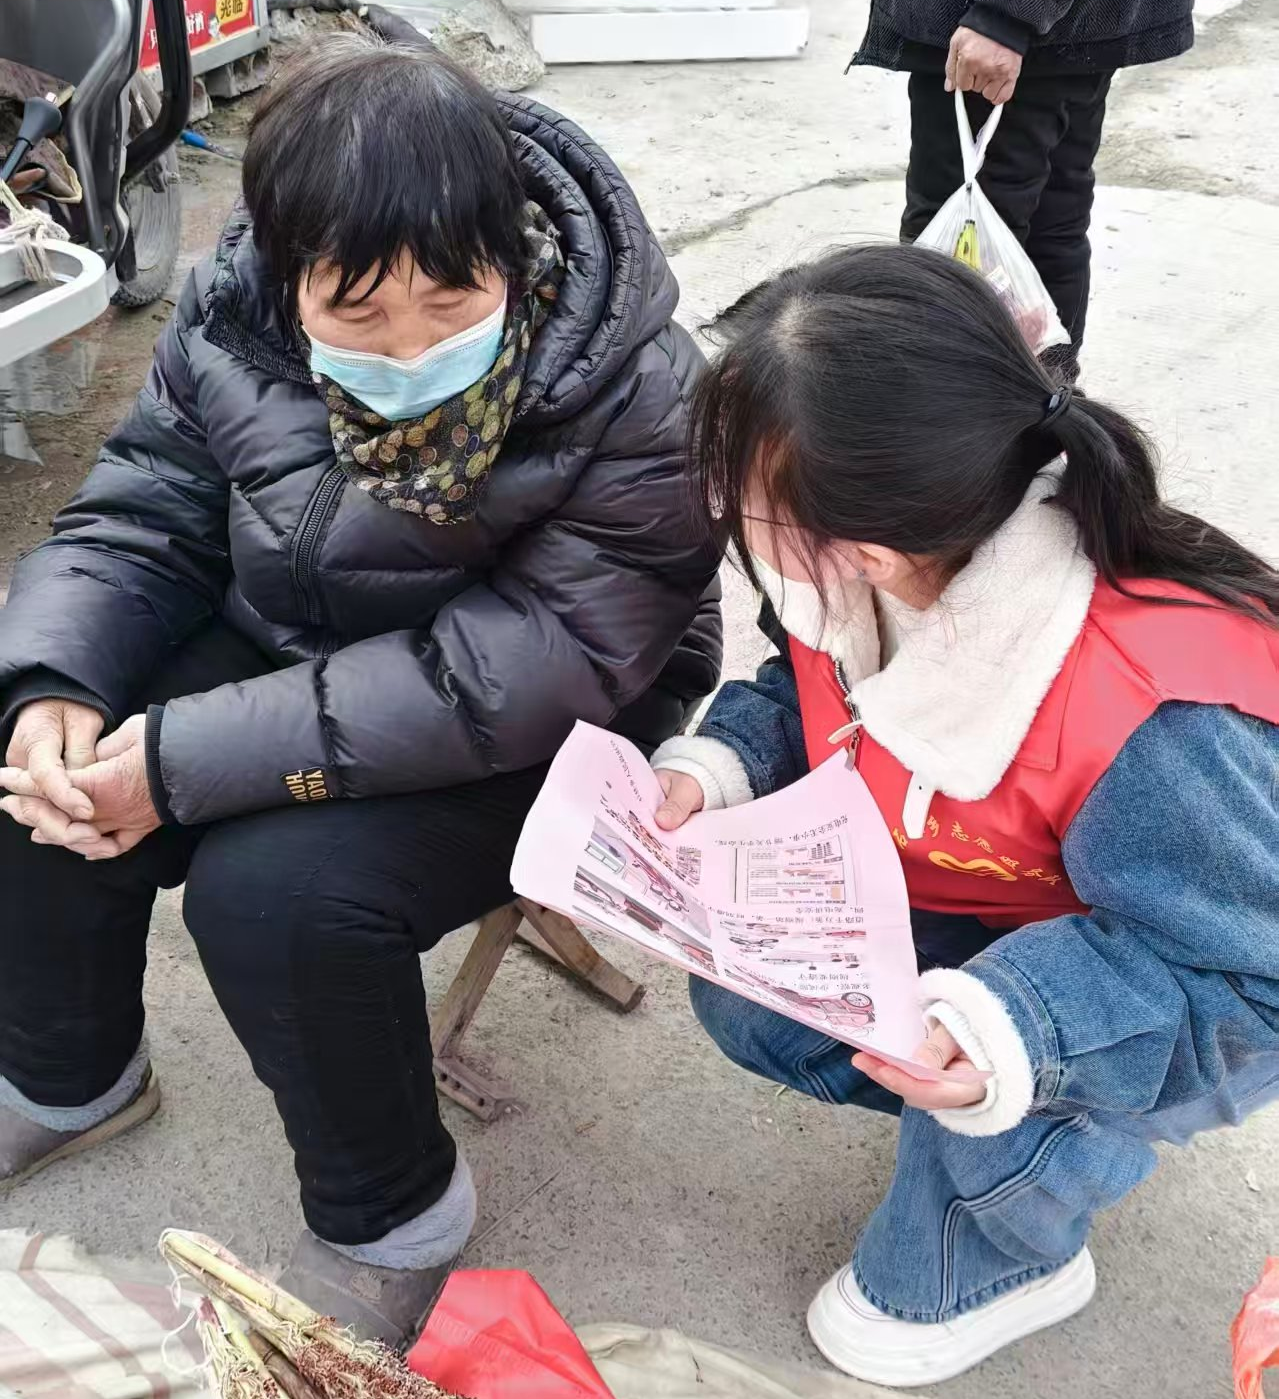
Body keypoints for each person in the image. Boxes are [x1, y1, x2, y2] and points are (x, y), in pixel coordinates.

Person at [0, 35, 721, 1346]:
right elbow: (146, 513)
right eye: (357, 310)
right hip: (299, 629)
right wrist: (56, 680)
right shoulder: (231, 319)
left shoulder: (641, 383)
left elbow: (530, 660)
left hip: (551, 711)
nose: (409, 344)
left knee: (278, 894)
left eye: (450, 301)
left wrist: (180, 762)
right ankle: (69, 1075)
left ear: (510, 252)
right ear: (287, 275)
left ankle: (393, 1217)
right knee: (36, 766)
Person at [649, 243, 1278, 1386]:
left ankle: (1028, 1220)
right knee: (747, 988)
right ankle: (1013, 1105)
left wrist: (1017, 1027)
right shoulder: (876, 558)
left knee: (891, 1307)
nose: (726, 514)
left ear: (867, 550)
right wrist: (719, 765)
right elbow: (810, 684)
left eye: (739, 498)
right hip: (1011, 904)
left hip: (1178, 963)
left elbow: (1254, 980)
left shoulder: (1152, 718)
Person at [849, 0, 1195, 370]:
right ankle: (1041, 396)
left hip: (999, 33)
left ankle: (973, 400)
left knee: (963, 247)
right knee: (1045, 227)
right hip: (1062, 28)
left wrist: (1005, 17)